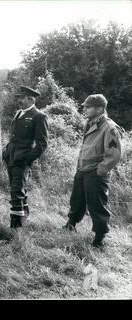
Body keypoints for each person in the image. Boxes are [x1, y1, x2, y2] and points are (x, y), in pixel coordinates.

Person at [63, 94, 122, 248]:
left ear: (100, 108)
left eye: (88, 107)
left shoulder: (109, 127)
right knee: (77, 200)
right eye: (85, 106)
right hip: (82, 168)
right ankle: (71, 224)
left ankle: (100, 237)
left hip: (95, 172)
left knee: (97, 205)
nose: (84, 109)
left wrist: (100, 171)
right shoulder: (89, 122)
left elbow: (114, 155)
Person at [2, 86, 49, 229]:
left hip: (22, 160)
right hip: (11, 157)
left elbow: (42, 143)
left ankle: (15, 228)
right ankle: (24, 217)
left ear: (30, 99)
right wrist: (6, 152)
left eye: (22, 98)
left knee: (16, 190)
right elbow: (14, 136)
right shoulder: (19, 114)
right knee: (18, 188)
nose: (19, 101)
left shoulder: (39, 116)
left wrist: (27, 159)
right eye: (18, 98)